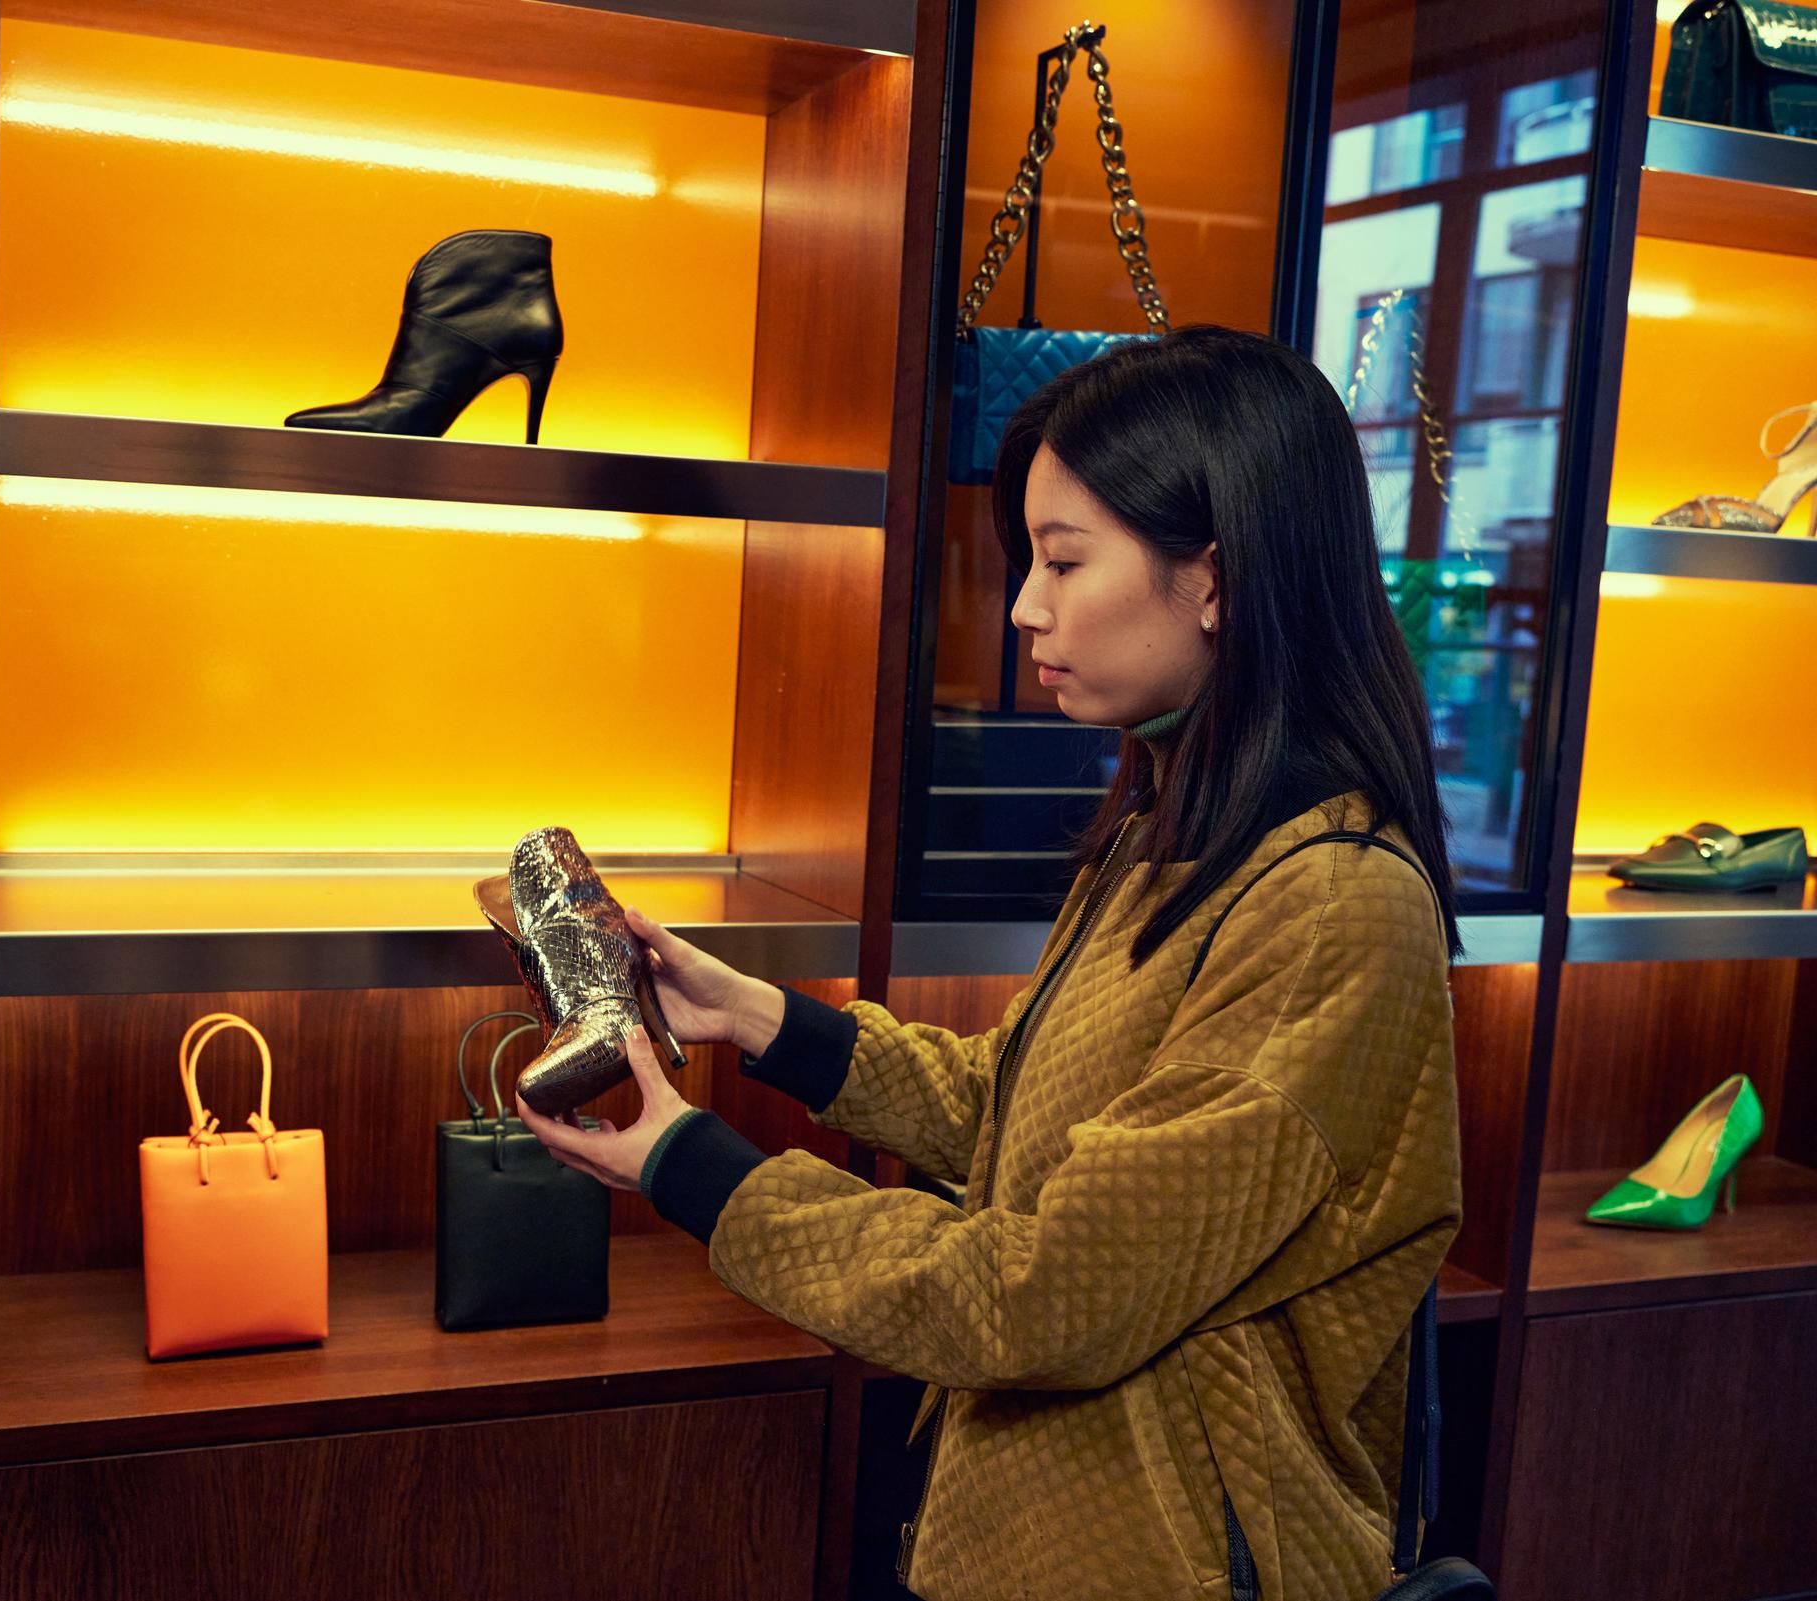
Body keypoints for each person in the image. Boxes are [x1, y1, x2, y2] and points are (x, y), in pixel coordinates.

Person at [518, 325, 1464, 1601]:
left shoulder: (1334, 907)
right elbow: (1015, 1112)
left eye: (1065, 561)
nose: (1024, 604)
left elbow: (1046, 1290)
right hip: (1042, 1533)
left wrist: (696, 1169)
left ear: (1217, 580)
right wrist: (754, 1016)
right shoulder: (1170, 836)